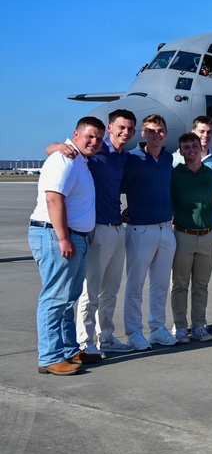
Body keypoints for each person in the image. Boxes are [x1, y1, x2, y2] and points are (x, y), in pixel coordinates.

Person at [46, 109, 137, 355]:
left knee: (111, 291)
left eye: (130, 129)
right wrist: (55, 146)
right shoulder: (95, 152)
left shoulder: (123, 157)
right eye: (121, 127)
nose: (125, 132)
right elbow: (57, 151)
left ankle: (106, 337)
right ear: (110, 128)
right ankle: (85, 342)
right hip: (98, 230)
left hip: (118, 228)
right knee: (91, 291)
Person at [30, 116, 105, 375]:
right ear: (76, 134)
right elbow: (54, 199)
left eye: (98, 138)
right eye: (89, 136)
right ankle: (50, 357)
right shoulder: (64, 160)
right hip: (58, 236)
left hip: (75, 237)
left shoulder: (79, 160)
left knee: (68, 298)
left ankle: (69, 351)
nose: (94, 142)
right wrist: (63, 238)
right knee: (55, 297)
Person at [121, 114, 178, 350]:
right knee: (135, 284)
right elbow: (116, 187)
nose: (157, 134)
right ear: (143, 134)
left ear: (166, 133)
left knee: (161, 284)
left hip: (166, 228)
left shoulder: (168, 159)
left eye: (161, 130)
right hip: (140, 230)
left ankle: (157, 328)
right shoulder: (131, 159)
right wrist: (121, 212)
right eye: (152, 131)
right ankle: (134, 331)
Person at [169, 132, 212, 343]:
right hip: (183, 235)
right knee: (180, 285)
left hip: (207, 235)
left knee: (201, 285)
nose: (191, 150)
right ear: (180, 151)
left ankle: (199, 326)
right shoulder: (174, 174)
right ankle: (181, 327)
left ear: (201, 148)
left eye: (194, 146)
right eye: (186, 147)